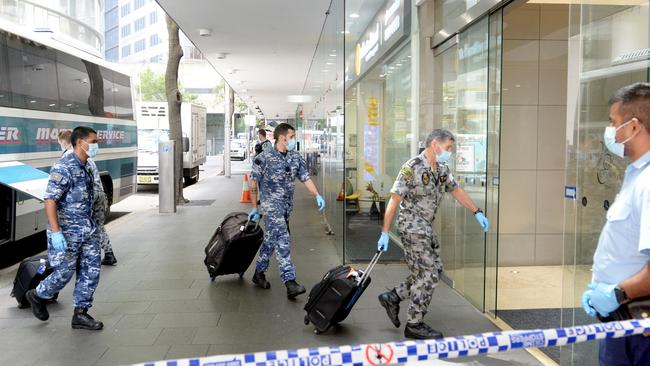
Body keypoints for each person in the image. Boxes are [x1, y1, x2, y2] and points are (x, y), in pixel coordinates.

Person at [376, 128, 489, 340]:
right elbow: (394, 199)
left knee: (434, 270)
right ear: (434, 144)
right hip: (411, 227)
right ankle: (414, 324)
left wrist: (477, 211)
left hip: (426, 228)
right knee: (427, 274)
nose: (450, 152)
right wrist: (384, 232)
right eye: (448, 148)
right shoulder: (412, 167)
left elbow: (456, 190)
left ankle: (393, 296)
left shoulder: (442, 169)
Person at [581, 82, 650, 365]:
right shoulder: (636, 174)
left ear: (634, 126)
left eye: (614, 123)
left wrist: (615, 293)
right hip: (621, 321)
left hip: (637, 324)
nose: (610, 132)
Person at [25, 126, 104, 330]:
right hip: (66, 232)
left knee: (91, 270)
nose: (96, 145)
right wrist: (56, 232)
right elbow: (50, 200)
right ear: (80, 142)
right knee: (64, 273)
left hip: (88, 230)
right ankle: (38, 294)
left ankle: (81, 313)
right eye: (93, 142)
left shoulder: (86, 165)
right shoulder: (64, 167)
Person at [248, 123, 326, 299]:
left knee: (271, 239)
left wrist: (317, 195)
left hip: (286, 207)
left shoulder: (295, 157)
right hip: (270, 207)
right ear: (282, 138)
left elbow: (305, 178)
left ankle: (258, 273)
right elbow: (253, 183)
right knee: (283, 239)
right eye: (292, 137)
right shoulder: (264, 157)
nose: (293, 140)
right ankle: (290, 282)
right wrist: (254, 207)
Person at [58, 129, 117, 265]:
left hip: (87, 196)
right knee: (98, 226)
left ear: (64, 142)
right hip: (99, 194)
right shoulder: (85, 155)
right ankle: (108, 253)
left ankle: (82, 257)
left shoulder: (68, 157)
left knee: (81, 226)